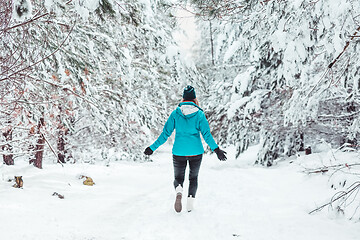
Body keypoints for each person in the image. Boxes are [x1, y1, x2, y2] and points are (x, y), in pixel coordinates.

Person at [144, 85, 227, 213]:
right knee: (193, 178)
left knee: (178, 178)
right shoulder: (199, 114)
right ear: (194, 99)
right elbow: (207, 135)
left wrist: (152, 148)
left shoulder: (175, 113)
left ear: (183, 99)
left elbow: (165, 134)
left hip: (179, 151)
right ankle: (189, 203)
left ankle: (178, 190)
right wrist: (216, 150)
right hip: (196, 152)